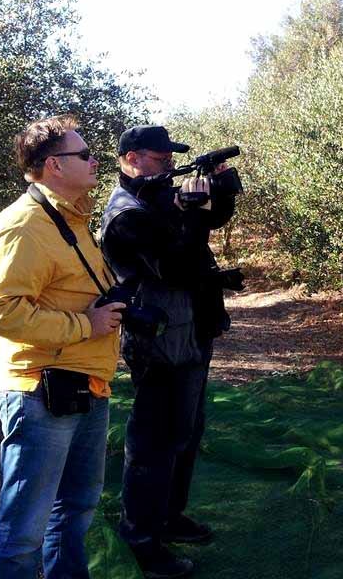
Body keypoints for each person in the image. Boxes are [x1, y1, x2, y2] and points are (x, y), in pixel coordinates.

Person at [0, 115, 125, 579]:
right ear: (53, 166)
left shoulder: (73, 221)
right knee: (24, 527)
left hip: (87, 384)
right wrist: (87, 324)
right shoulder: (22, 226)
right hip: (40, 391)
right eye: (84, 155)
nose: (95, 160)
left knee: (75, 510)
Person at [100, 125, 238, 579]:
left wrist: (221, 195)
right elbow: (176, 263)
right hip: (159, 340)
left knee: (187, 431)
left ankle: (169, 516)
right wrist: (195, 214)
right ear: (132, 158)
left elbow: (205, 226)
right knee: (154, 440)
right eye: (160, 159)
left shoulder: (156, 199)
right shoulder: (126, 215)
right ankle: (141, 537)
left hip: (190, 330)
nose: (167, 165)